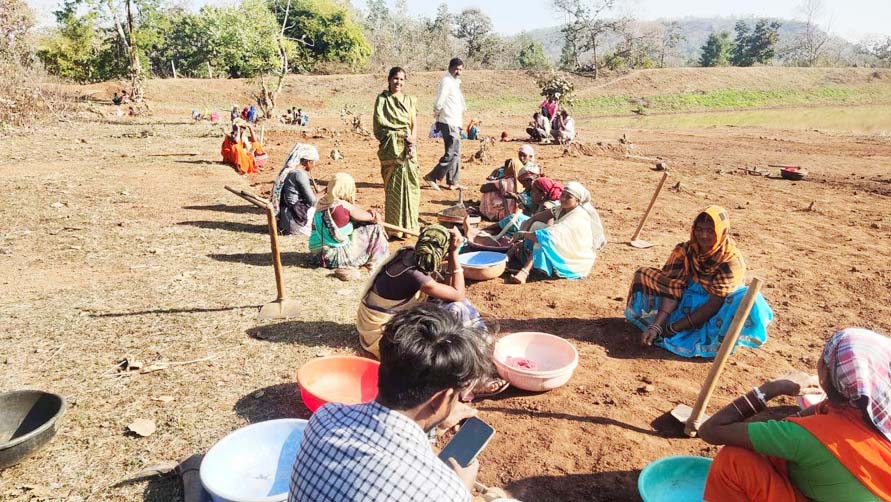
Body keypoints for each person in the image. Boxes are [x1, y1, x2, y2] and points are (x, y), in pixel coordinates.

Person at [290, 304, 492, 502]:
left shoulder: (325, 417)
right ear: (441, 399)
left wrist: (435, 424)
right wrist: (462, 488)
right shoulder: (444, 491)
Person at [700, 328, 891, 501]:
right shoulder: (874, 414)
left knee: (732, 460)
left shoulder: (812, 436)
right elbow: (796, 424)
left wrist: (770, 389)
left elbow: (711, 430)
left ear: (826, 372)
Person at [356, 225, 508, 398]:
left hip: (381, 317)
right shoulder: (415, 275)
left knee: (453, 305)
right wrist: (454, 253)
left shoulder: (409, 255)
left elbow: (448, 288)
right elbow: (458, 294)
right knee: (457, 309)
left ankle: (478, 352)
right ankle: (471, 378)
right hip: (380, 332)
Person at [625, 206, 773, 358]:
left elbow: (714, 304)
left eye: (710, 231)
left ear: (722, 232)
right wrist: (657, 325)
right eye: (699, 229)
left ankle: (707, 338)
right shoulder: (685, 249)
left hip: (717, 308)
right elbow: (672, 287)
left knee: (750, 298)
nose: (703, 236)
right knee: (642, 275)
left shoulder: (730, 260)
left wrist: (673, 328)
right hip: (687, 297)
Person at [505, 181, 606, 284]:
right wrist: (525, 227)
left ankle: (525, 272)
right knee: (537, 226)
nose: (563, 199)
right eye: (563, 195)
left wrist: (522, 234)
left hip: (573, 257)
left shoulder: (577, 217)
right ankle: (533, 262)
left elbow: (547, 236)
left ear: (578, 201)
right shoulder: (561, 208)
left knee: (542, 240)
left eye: (569, 197)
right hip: (564, 244)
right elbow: (536, 217)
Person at [373, 66, 420, 239]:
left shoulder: (409, 100)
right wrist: (395, 135)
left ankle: (410, 226)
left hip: (408, 149)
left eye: (401, 79)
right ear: (389, 79)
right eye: (395, 78)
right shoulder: (382, 100)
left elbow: (414, 124)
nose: (398, 82)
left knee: (411, 185)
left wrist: (412, 140)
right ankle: (394, 228)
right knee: (394, 188)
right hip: (391, 148)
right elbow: (378, 125)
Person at [309, 172, 389, 270]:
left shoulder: (321, 203)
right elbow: (369, 217)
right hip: (334, 258)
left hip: (317, 256)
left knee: (355, 225)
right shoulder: (341, 205)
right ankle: (380, 261)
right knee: (374, 228)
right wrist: (374, 214)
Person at [424, 58, 467, 191]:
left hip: (455, 121)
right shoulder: (447, 81)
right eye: (456, 69)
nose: (458, 72)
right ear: (450, 68)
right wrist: (437, 115)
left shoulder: (454, 82)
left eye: (460, 69)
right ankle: (432, 176)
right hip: (448, 121)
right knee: (452, 152)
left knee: (456, 152)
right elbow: (439, 101)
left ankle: (453, 182)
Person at [271, 143, 323, 235]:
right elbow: (312, 201)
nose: (314, 165)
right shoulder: (299, 174)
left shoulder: (290, 171)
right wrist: (326, 192)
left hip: (285, 218)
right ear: (307, 162)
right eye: (314, 162)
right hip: (295, 219)